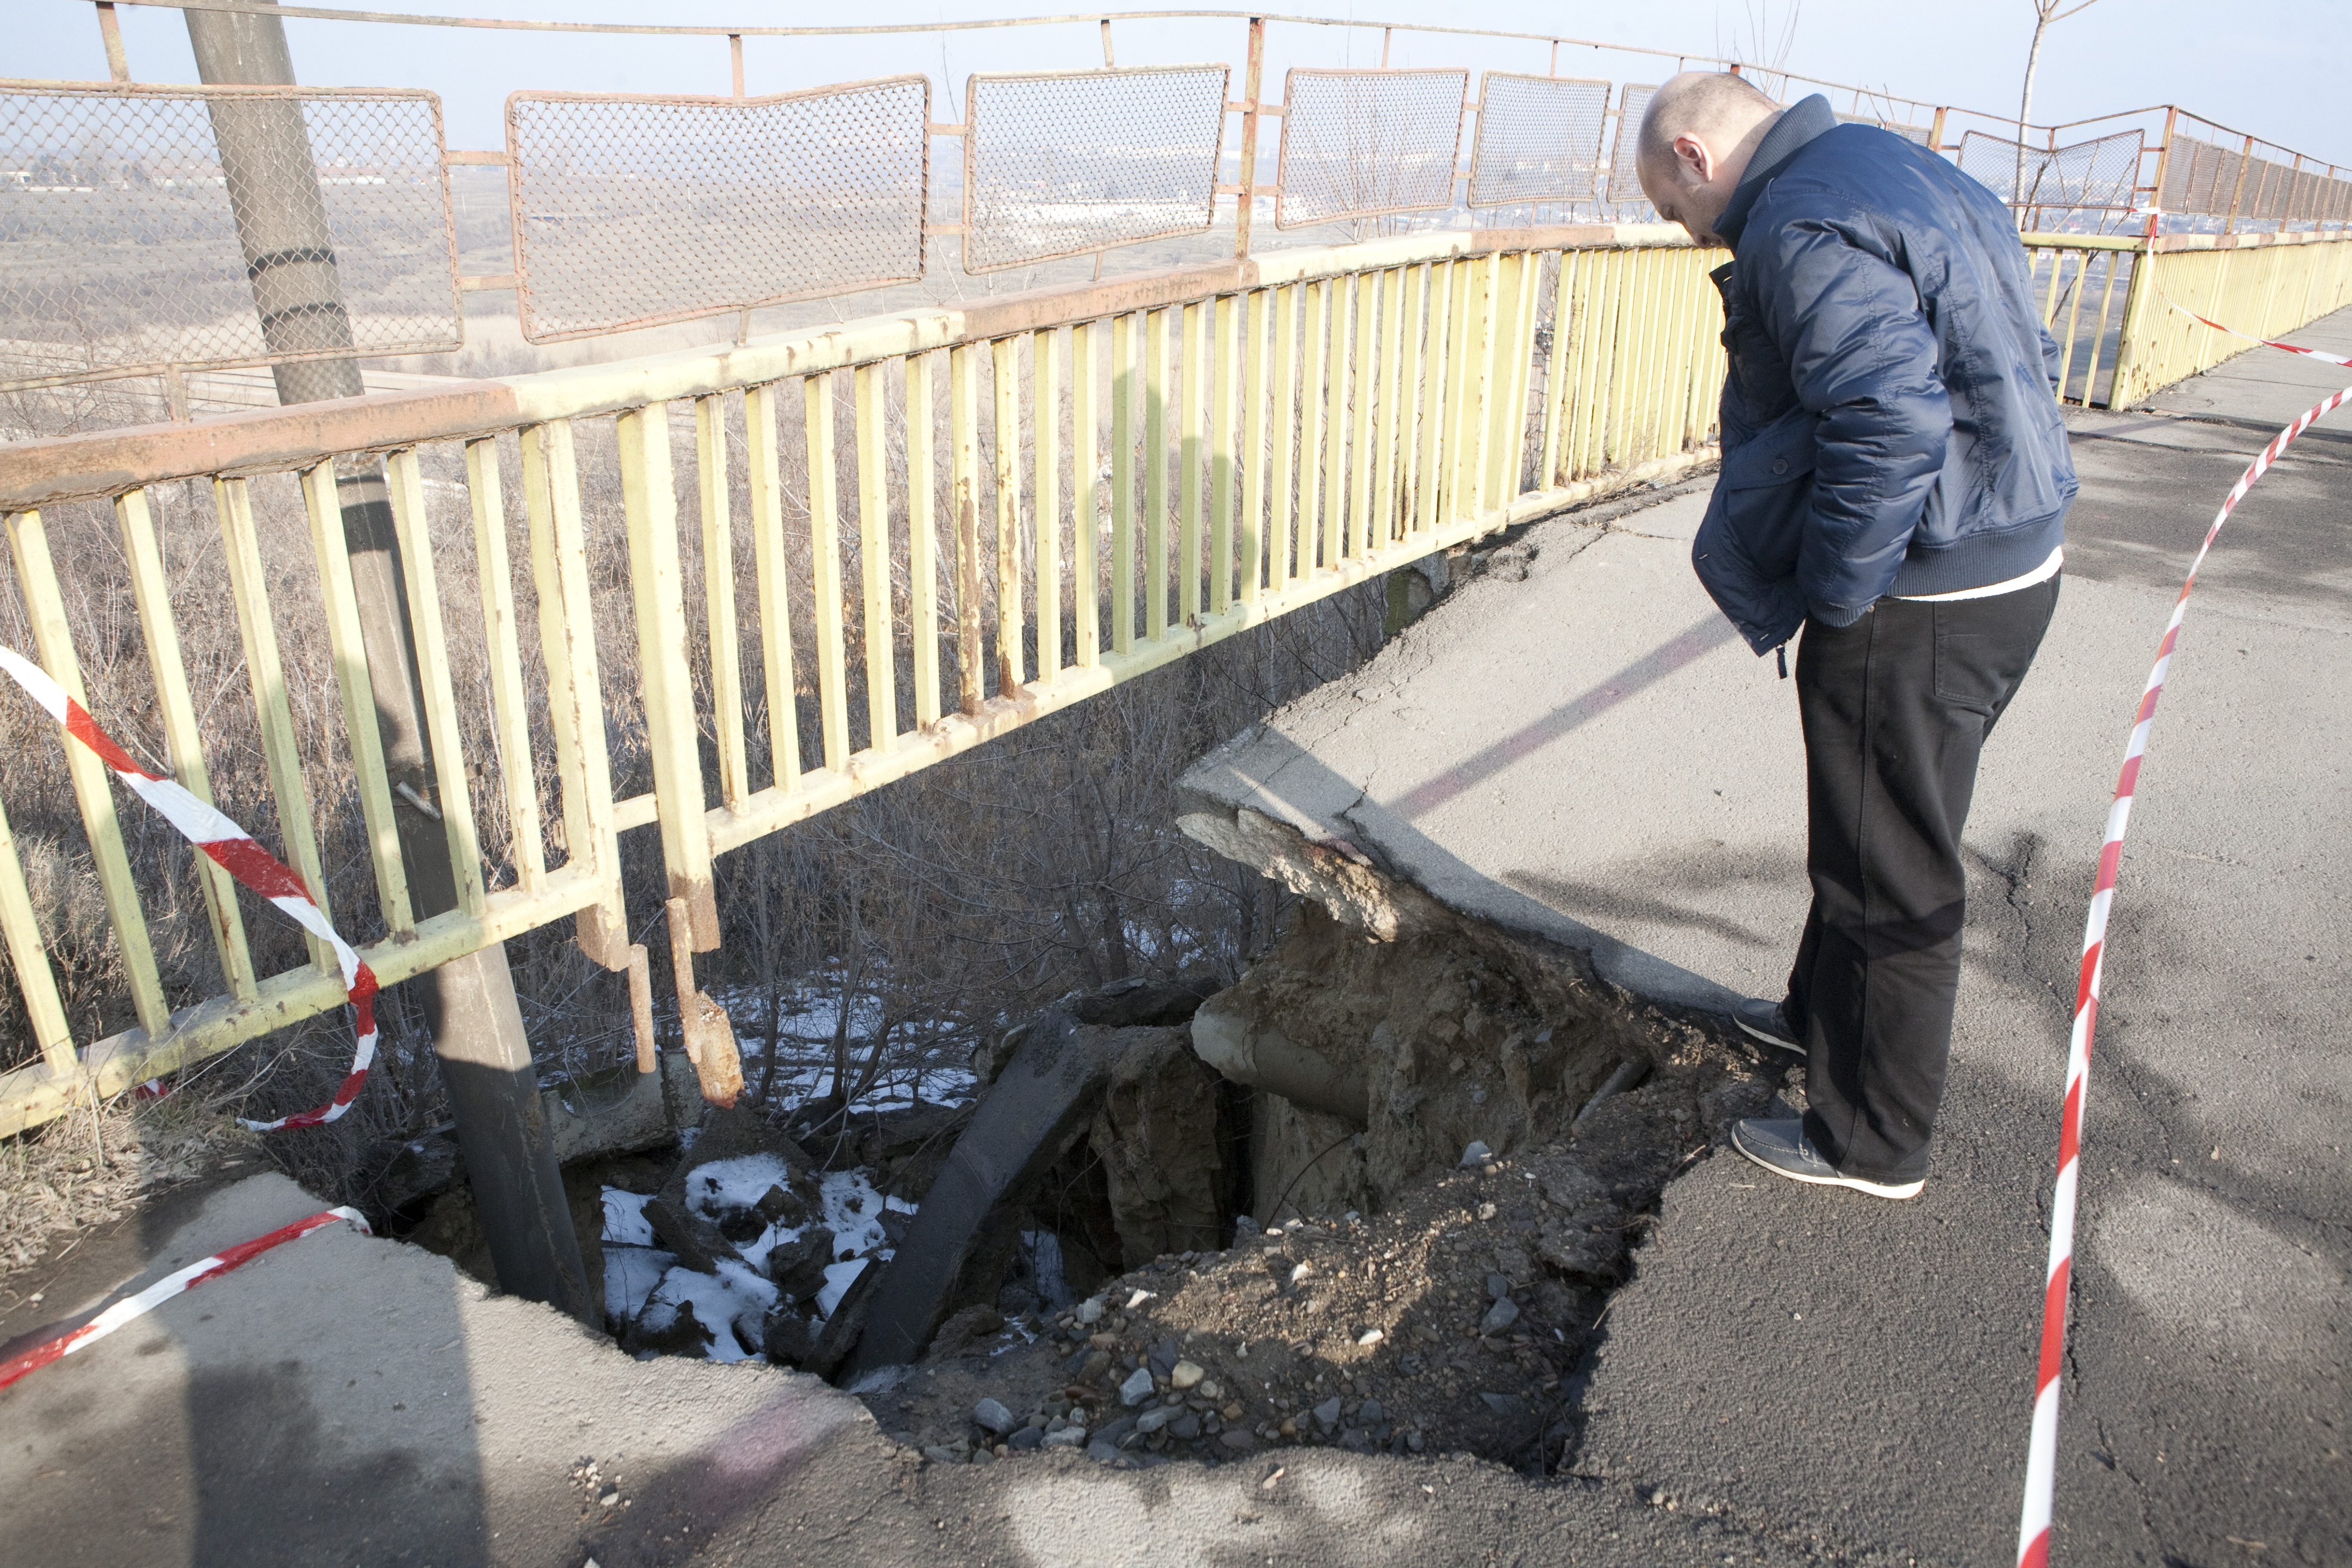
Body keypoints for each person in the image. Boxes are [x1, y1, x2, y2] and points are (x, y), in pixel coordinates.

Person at [1635, 73, 2074, 1200]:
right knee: (1872, 820)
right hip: (2009, 551)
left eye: (1672, 211)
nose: (1689, 234)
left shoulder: (1796, 221)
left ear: (1694, 153)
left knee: (1891, 867)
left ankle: (1873, 1143)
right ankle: (1809, 1019)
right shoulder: (1889, 163)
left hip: (1923, 593)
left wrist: (1839, 588)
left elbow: (1890, 414)